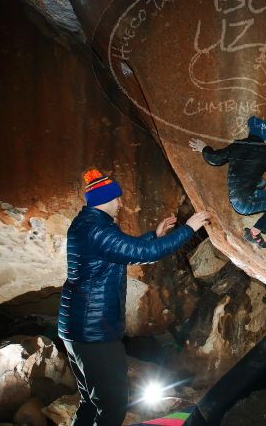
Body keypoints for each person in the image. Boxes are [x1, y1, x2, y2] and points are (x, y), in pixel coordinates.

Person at [58, 168, 211, 426]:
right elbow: (141, 252)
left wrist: (155, 235)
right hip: (94, 331)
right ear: (103, 200)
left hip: (78, 327)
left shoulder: (89, 224)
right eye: (117, 198)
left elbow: (125, 248)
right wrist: (188, 230)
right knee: (113, 405)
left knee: (89, 402)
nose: (120, 203)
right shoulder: (97, 230)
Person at [189, 115, 266, 254]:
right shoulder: (265, 150)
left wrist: (204, 148)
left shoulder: (237, 145)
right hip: (249, 199)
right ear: (263, 135)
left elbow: (215, 159)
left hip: (237, 200)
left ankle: (254, 232)